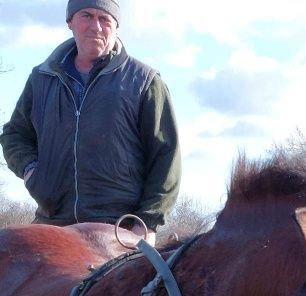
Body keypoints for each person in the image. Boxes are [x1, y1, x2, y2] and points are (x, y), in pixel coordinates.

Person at [0, 0, 181, 243]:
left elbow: (166, 156)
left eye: (105, 18)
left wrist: (147, 222)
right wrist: (32, 171)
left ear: (116, 26)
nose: (96, 26)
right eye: (86, 15)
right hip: (53, 223)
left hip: (118, 230)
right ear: (70, 22)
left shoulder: (145, 82)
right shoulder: (41, 79)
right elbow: (14, 134)